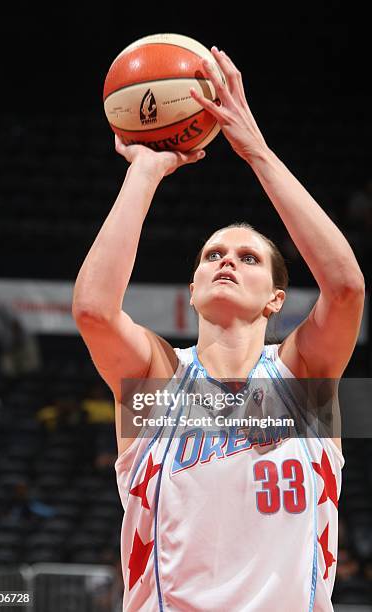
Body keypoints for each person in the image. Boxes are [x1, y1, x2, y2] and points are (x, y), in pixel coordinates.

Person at [72, 47, 365, 611]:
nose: (226, 261)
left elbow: (347, 287)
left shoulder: (304, 376)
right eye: (212, 255)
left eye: (249, 258)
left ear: (276, 300)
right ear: (192, 290)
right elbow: (93, 311)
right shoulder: (157, 379)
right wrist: (145, 171)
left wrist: (255, 150)